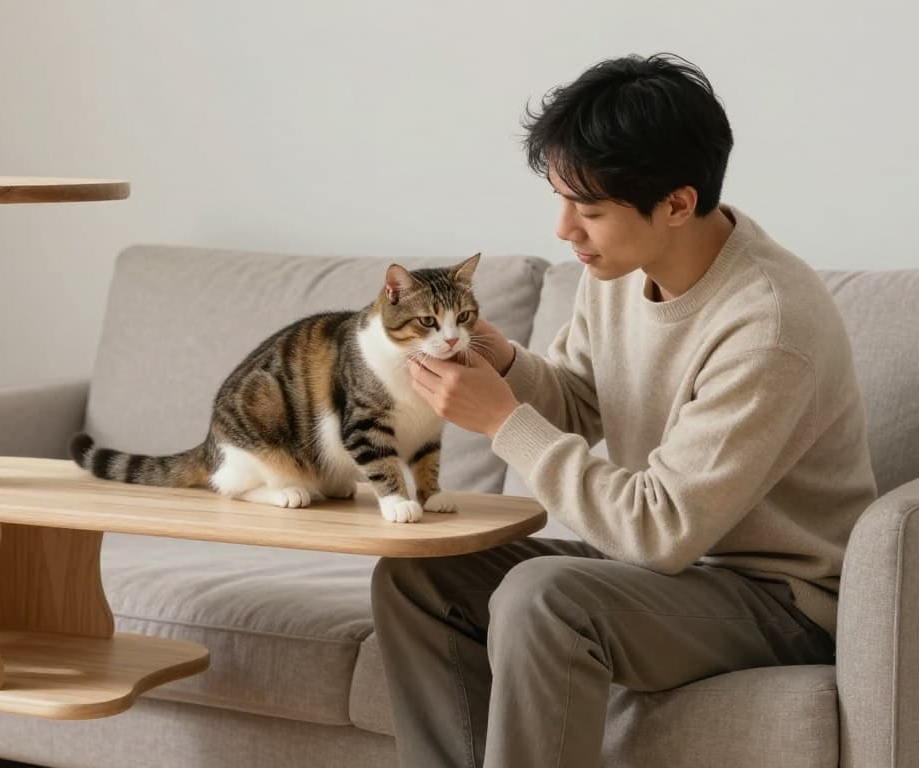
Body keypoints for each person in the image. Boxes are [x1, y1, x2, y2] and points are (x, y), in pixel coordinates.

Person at [374, 52, 878, 767]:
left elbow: (660, 529)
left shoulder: (768, 326)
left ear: (676, 204)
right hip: (670, 578)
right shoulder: (620, 269)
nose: (564, 230)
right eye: (561, 200)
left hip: (779, 599)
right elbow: (581, 400)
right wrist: (503, 362)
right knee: (419, 578)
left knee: (544, 598)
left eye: (589, 210)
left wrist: (503, 422)